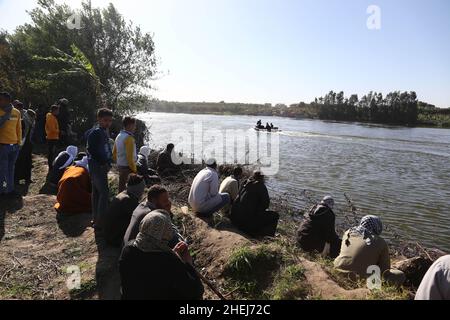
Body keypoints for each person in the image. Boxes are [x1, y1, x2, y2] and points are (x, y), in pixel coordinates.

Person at [119, 211, 204, 300]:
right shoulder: (169, 261)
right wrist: (188, 265)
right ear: (165, 234)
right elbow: (195, 291)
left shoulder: (128, 249)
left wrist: (173, 256)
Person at [334, 215, 405, 286]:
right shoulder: (380, 241)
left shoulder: (348, 232)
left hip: (337, 270)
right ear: (377, 227)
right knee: (400, 275)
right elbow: (384, 272)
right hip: (358, 279)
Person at [87, 108, 114, 230]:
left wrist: (108, 161)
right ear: (99, 119)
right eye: (105, 120)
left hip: (101, 165)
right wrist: (103, 162)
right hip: (97, 166)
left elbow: (105, 149)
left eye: (110, 120)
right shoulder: (96, 132)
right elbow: (91, 150)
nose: (108, 123)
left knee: (97, 192)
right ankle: (100, 222)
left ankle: (96, 218)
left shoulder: (103, 132)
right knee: (103, 192)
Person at [230, 171, 279, 237]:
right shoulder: (260, 185)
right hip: (245, 222)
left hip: (234, 219)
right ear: (262, 178)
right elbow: (266, 205)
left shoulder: (244, 182)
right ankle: (267, 236)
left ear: (252, 176)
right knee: (275, 215)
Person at [103, 174, 146, 247]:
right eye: (143, 188)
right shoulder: (128, 200)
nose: (143, 190)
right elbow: (141, 217)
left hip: (109, 235)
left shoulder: (124, 194)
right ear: (138, 188)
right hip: (115, 239)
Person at [0, 92, 22, 199]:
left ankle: (10, 189)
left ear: (7, 100)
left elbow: (18, 128)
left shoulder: (17, 112)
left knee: (11, 168)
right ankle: (3, 190)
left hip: (14, 145)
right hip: (3, 145)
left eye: (1, 99)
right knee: (2, 169)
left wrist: (19, 142)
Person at [113, 116, 137, 193]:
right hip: (127, 167)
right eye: (134, 125)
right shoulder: (129, 138)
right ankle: (124, 203)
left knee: (121, 186)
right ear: (129, 125)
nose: (135, 128)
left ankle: (118, 202)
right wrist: (134, 170)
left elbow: (114, 152)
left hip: (120, 165)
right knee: (129, 189)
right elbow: (130, 157)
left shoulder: (119, 136)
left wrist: (118, 163)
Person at [15, 105, 36, 184]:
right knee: (19, 162)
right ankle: (16, 179)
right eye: (33, 117)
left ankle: (27, 178)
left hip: (28, 145)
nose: (34, 119)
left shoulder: (31, 123)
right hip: (21, 145)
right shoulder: (22, 122)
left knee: (28, 162)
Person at [45, 105, 60, 169]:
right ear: (54, 110)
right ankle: (51, 166)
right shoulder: (51, 118)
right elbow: (52, 129)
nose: (58, 112)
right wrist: (59, 131)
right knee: (51, 153)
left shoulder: (52, 117)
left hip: (53, 137)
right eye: (57, 110)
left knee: (52, 152)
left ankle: (51, 165)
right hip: (52, 137)